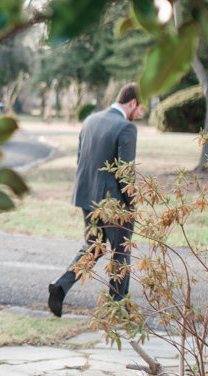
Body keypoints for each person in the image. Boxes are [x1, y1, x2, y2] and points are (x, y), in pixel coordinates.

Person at [48, 84, 144, 317]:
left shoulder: (90, 120)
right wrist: (131, 203)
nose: (140, 114)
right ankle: (117, 308)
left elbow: (80, 158)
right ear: (132, 103)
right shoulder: (126, 127)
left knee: (94, 246)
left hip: (86, 196)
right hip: (114, 203)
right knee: (121, 252)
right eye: (141, 108)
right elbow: (125, 173)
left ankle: (60, 287)